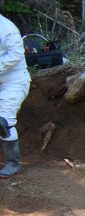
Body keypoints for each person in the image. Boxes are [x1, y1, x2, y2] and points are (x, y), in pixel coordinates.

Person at [0, 14, 31, 179]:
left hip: (14, 82)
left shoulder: (7, 28)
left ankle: (13, 163)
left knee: (3, 120)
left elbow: (16, 54)